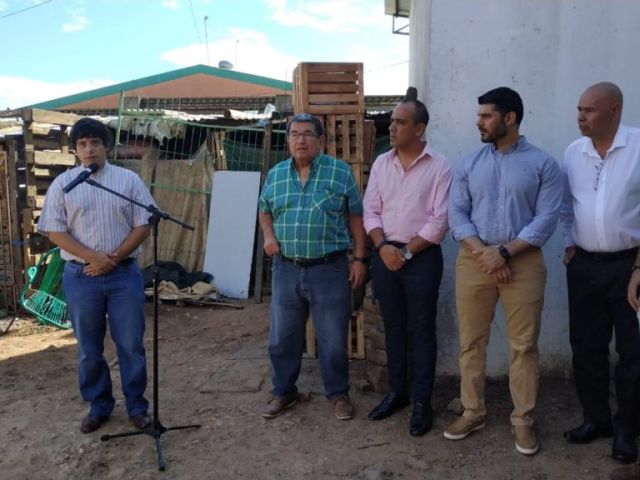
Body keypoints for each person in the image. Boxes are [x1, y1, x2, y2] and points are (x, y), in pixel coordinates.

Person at [446, 87, 563, 455]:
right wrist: (486, 254)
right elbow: (457, 214)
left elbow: (546, 219)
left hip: (524, 260)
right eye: (479, 115)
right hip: (474, 258)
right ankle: (472, 410)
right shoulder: (469, 163)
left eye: (486, 116)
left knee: (524, 345)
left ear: (509, 118)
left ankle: (523, 420)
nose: (478, 122)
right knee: (471, 341)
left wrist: (505, 252)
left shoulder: (544, 165)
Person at [38, 118, 155, 434]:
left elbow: (144, 223)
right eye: (82, 144)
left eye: (95, 143)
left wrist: (112, 259)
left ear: (107, 147)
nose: (89, 150)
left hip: (123, 275)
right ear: (75, 150)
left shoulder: (128, 180)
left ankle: (137, 407)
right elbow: (53, 230)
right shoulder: (64, 184)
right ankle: (99, 405)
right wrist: (92, 258)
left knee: (130, 344)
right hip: (81, 276)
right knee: (89, 348)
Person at [258, 112, 367, 420]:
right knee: (282, 336)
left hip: (329, 269)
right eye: (294, 134)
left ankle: (338, 393)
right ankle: (284, 392)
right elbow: (265, 210)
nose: (300, 140)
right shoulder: (276, 174)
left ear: (320, 140)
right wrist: (268, 235)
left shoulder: (340, 173)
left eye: (307, 134)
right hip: (286, 268)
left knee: (332, 337)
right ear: (288, 139)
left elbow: (356, 217)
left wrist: (360, 259)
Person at [363, 88, 452, 436]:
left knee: (422, 330)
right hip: (385, 254)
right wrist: (383, 247)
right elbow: (371, 209)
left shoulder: (440, 167)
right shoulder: (382, 163)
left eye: (400, 122)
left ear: (420, 129)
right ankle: (397, 393)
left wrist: (406, 252)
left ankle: (421, 402)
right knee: (394, 327)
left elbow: (439, 220)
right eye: (392, 121)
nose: (392, 126)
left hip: (422, 259)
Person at [560, 82, 640, 464]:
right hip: (586, 266)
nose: (580, 116)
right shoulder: (574, 153)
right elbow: (565, 204)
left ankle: (627, 429)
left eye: (589, 110)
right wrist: (569, 244)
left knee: (632, 353)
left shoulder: (638, 147)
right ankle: (597, 419)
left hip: (631, 267)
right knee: (587, 349)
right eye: (579, 109)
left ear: (615, 110)